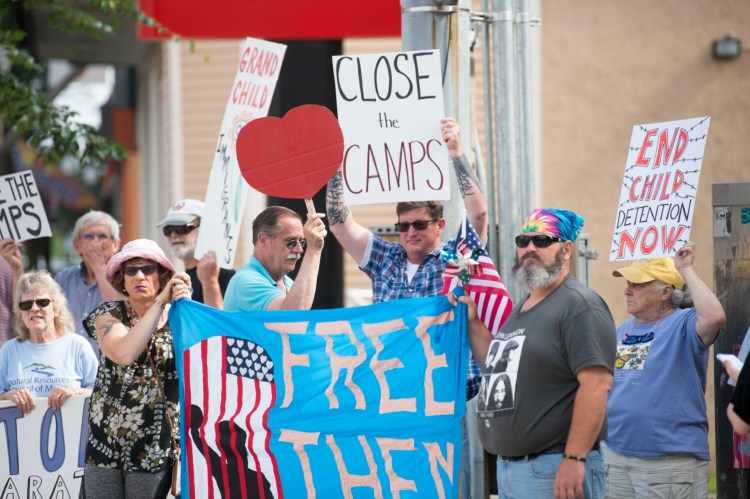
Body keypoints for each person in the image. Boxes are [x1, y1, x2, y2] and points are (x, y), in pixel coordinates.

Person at [326, 117, 488, 498]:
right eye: (402, 226)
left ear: (439, 225)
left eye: (419, 224)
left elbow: (478, 215)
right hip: (391, 398)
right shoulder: (386, 258)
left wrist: (455, 153)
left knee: (448, 490)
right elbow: (338, 222)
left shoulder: (455, 260)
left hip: (443, 399)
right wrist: (337, 162)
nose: (410, 232)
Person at [450, 208, 616, 499]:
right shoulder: (523, 306)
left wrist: (574, 459)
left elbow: (596, 385)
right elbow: (496, 365)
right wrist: (474, 322)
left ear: (566, 250)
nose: (530, 248)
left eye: (542, 241)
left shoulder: (579, 305)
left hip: (554, 468)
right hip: (512, 471)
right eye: (523, 241)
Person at [604, 243, 725, 498]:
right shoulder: (624, 328)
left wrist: (686, 270)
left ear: (665, 292)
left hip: (668, 461)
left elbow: (715, 317)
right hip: (616, 454)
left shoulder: (684, 322)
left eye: (637, 284)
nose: (627, 289)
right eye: (628, 283)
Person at [82, 239, 191, 498]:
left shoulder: (179, 318)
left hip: (155, 448)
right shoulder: (109, 313)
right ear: (122, 278)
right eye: (130, 270)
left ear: (162, 275)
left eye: (147, 269)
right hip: (104, 448)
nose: (139, 276)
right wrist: (159, 303)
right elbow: (124, 352)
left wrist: (187, 305)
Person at [0, 271, 97, 414]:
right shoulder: (8, 350)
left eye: (42, 302)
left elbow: (102, 391)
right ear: (20, 313)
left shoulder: (78, 346)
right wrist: (8, 396)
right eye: (26, 304)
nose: (34, 308)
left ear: (56, 308)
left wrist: (75, 392)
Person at [224, 206, 326, 312]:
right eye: (291, 242)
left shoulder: (288, 283)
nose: (299, 249)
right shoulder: (245, 281)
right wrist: (313, 250)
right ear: (263, 240)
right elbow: (292, 315)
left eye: (302, 242)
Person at [158, 198, 235, 308]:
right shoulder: (177, 279)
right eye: (168, 229)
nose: (173, 234)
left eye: (182, 228)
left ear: (205, 229)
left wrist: (210, 283)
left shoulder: (225, 275)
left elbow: (224, 323)